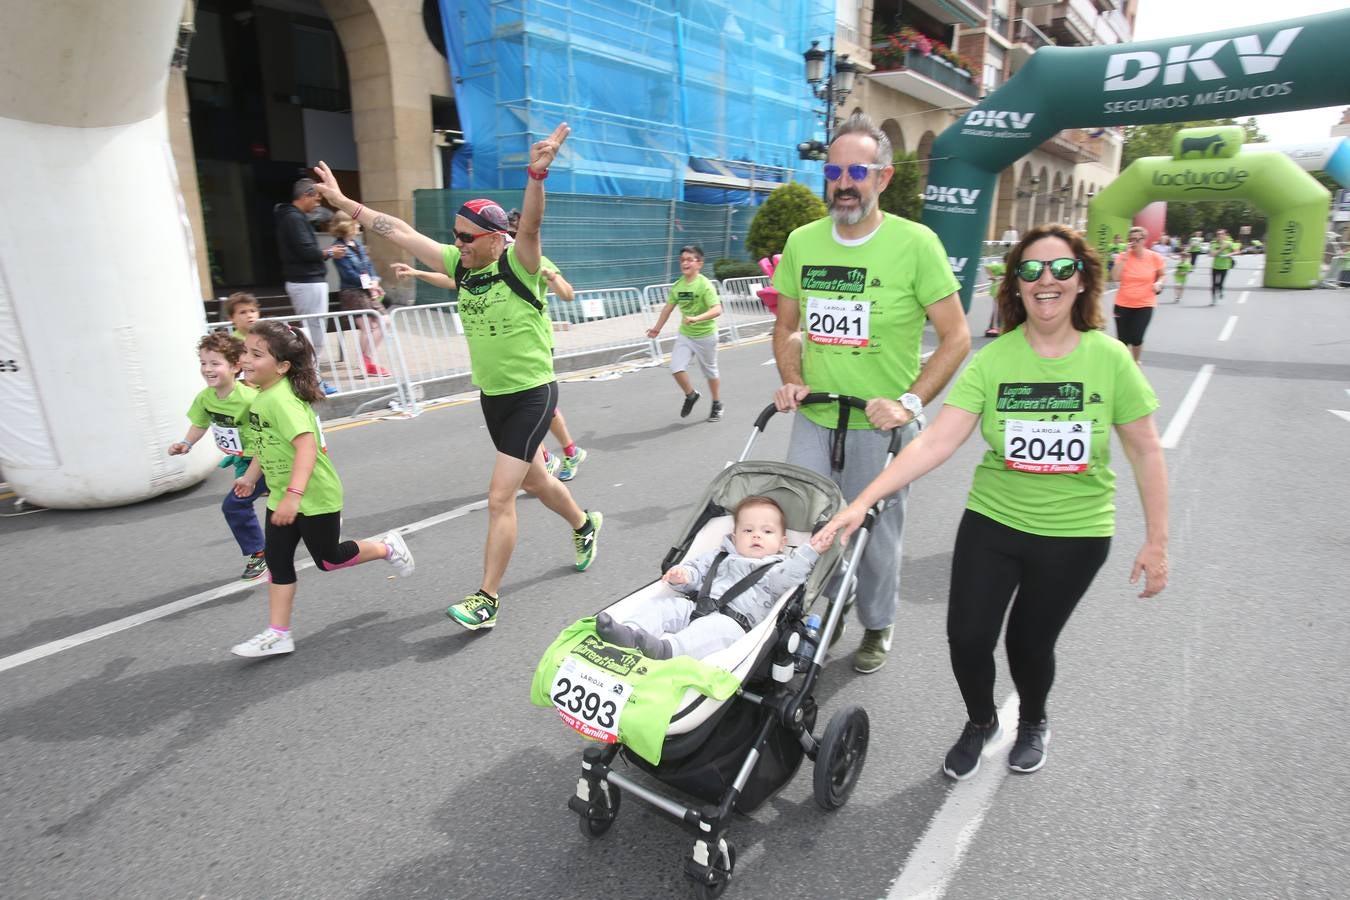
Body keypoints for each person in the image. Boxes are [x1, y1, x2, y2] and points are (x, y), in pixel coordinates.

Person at [814, 222, 1169, 779]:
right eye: (1030, 270)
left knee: (1029, 642)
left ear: (1081, 282)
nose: (1045, 279)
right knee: (968, 636)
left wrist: (1156, 541)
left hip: (1075, 534)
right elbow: (936, 440)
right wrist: (863, 501)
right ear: (1017, 285)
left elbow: (1146, 450)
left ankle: (1033, 720)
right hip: (994, 520)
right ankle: (981, 721)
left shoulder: (1112, 359)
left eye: (1060, 269)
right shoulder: (994, 360)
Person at [311, 122, 603, 631]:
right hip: (493, 397)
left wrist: (537, 174)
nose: (457, 244)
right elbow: (398, 230)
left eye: (466, 238)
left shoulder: (520, 263)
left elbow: (530, 226)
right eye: (455, 237)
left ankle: (486, 599)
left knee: (500, 497)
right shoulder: (462, 265)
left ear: (494, 238)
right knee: (536, 481)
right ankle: (584, 523)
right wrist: (343, 202)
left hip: (533, 393)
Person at [772, 112, 971, 675]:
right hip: (815, 418)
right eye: (834, 169)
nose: (843, 181)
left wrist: (909, 403)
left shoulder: (916, 244)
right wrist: (791, 376)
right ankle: (817, 613)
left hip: (882, 430)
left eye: (857, 169)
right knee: (806, 529)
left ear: (883, 178)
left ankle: (877, 623)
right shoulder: (802, 241)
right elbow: (786, 327)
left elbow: (957, 338)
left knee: (874, 542)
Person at [229, 321, 414, 657]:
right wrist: (250, 477)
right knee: (278, 560)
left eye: (256, 354)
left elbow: (306, 448)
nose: (245, 359)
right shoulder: (262, 398)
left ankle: (387, 547)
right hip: (285, 497)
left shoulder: (281, 401)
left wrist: (294, 497)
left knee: (329, 560)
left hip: (314, 498)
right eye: (245, 351)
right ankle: (278, 633)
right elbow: (264, 444)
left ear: (282, 366)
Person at [390, 259, 589, 482]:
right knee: (520, 409)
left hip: (533, 347)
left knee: (534, 406)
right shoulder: (485, 263)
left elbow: (568, 293)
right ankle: (545, 456)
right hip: (503, 354)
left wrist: (550, 277)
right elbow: (451, 281)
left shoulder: (530, 257)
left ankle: (569, 452)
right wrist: (417, 273)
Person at [595, 497, 826, 660]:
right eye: (748, 531)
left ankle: (666, 650)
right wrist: (683, 576)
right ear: (734, 537)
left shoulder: (776, 567)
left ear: (782, 543)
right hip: (696, 606)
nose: (756, 535)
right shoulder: (719, 555)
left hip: (734, 623)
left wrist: (809, 551)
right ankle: (628, 632)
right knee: (661, 607)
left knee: (708, 633)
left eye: (767, 531)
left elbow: (789, 578)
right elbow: (696, 570)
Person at [169, 332, 268, 582]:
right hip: (242, 462)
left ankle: (260, 552)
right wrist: (186, 443)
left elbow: (270, 433)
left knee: (235, 504)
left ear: (235, 366)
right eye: (203, 363)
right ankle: (317, 519)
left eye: (215, 363)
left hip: (266, 459)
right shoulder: (205, 398)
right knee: (274, 501)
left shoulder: (250, 398)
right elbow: (200, 423)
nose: (207, 369)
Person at [275, 178, 343, 395]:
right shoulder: (293, 219)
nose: (318, 202)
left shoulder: (291, 218)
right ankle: (311, 381)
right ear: (306, 195)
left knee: (315, 332)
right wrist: (331, 252)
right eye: (317, 197)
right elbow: (306, 251)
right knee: (314, 334)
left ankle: (312, 379)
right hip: (307, 282)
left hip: (306, 282)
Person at [644, 245, 724, 422]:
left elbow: (717, 309)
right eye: (682, 260)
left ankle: (717, 403)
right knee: (676, 368)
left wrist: (697, 318)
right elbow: (667, 309)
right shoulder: (678, 285)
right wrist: (657, 328)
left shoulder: (705, 285)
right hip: (686, 335)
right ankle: (691, 395)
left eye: (689, 259)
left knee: (710, 372)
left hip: (706, 335)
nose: (685, 263)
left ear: (699, 263)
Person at [329, 212, 391, 377]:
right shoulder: (339, 249)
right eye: (355, 223)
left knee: (385, 321)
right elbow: (349, 274)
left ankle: (366, 359)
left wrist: (375, 283)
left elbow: (369, 267)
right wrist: (371, 285)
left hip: (365, 290)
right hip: (352, 293)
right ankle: (367, 363)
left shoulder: (357, 245)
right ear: (347, 225)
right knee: (368, 326)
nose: (359, 226)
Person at [1113, 226, 1166, 364]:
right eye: (1131, 240)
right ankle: (1124, 365)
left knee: (1137, 337)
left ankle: (1135, 362)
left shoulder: (1155, 257)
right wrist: (1124, 258)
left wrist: (1159, 283)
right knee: (1122, 340)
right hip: (1123, 303)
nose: (1134, 243)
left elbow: (1162, 275)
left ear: (1144, 240)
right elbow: (1114, 277)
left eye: (1137, 239)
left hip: (1145, 303)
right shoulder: (1122, 256)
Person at [1210, 228, 1238, 304]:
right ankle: (1213, 300)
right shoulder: (1214, 243)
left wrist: (1228, 254)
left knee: (1220, 283)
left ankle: (1220, 290)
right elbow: (1212, 254)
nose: (1219, 235)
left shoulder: (1229, 243)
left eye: (1221, 234)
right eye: (1218, 234)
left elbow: (1237, 251)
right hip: (1215, 266)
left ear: (1225, 235)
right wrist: (1221, 249)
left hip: (1225, 267)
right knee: (1214, 284)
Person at [984, 256, 1006, 338]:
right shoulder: (1000, 266)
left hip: (1005, 292)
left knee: (1000, 310)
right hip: (997, 291)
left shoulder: (1012, 267)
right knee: (998, 311)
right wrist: (992, 276)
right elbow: (987, 267)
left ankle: (994, 327)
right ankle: (995, 328)